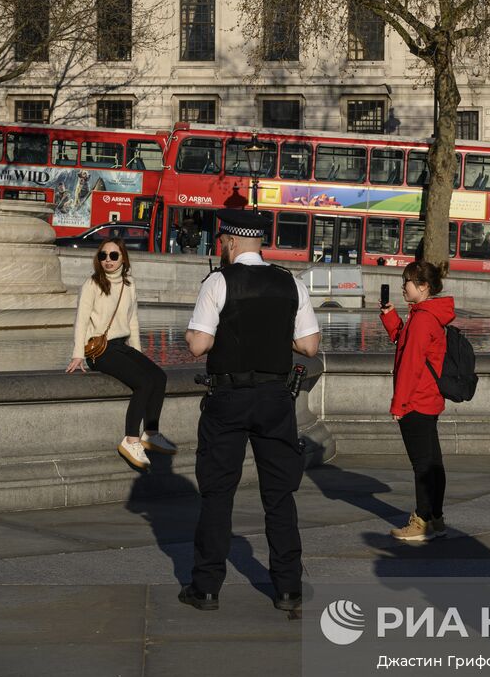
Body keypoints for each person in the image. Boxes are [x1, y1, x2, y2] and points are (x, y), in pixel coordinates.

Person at [179, 209, 321, 612]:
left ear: (229, 242)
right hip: (276, 399)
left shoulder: (218, 282)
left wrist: (196, 331)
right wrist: (277, 339)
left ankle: (206, 587)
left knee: (218, 492)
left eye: (223, 243)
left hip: (228, 399)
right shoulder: (290, 283)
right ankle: (288, 587)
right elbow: (310, 346)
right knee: (279, 496)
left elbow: (198, 346)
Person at [66, 239, 174, 470]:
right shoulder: (92, 283)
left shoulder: (129, 283)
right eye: (103, 255)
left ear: (123, 258)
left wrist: (137, 353)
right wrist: (78, 354)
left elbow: (132, 320)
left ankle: (151, 433)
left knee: (159, 376)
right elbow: (81, 320)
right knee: (143, 383)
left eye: (113, 256)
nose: (108, 260)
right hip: (100, 350)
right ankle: (131, 440)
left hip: (121, 346)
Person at [380, 260, 455, 542]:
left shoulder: (422, 318)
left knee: (422, 465)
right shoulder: (426, 314)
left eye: (407, 282)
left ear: (422, 286)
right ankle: (436, 518)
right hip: (428, 398)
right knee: (433, 461)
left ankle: (421, 521)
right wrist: (390, 318)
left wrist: (399, 406)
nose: (403, 287)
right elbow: (406, 342)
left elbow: (410, 364)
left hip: (416, 400)